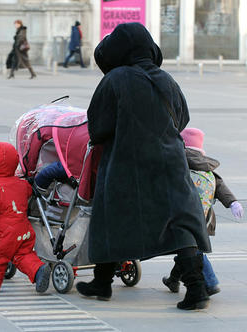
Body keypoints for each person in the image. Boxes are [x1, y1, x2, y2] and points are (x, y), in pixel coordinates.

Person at [75, 23, 212, 310]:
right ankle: (196, 288)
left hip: (126, 163)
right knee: (179, 222)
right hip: (170, 163)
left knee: (111, 219)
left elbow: (97, 127)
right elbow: (182, 119)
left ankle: (102, 282)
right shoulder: (166, 79)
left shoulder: (116, 79)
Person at [162, 128, 244, 296]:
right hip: (205, 219)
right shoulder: (207, 169)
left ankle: (211, 282)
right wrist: (233, 203)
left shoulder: (180, 164)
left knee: (192, 250)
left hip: (184, 217)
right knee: (187, 248)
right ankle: (173, 280)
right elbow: (221, 187)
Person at [0, 142, 50, 293]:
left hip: (3, 232)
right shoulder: (21, 184)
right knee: (23, 254)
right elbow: (29, 192)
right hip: (24, 229)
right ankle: (39, 270)